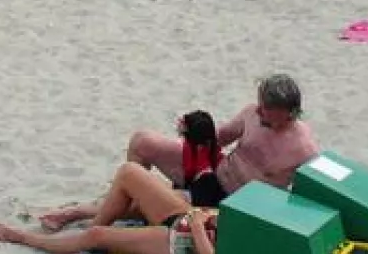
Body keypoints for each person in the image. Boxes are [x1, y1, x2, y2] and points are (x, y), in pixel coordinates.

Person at [57, 74, 318, 225]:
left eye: (266, 108)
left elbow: (309, 202)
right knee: (142, 141)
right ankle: (119, 198)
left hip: (227, 203)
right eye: (259, 103)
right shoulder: (253, 114)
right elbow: (218, 139)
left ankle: (81, 212)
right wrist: (192, 131)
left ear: (288, 112)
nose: (259, 110)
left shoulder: (303, 149)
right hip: (213, 172)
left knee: (151, 201)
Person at [0, 166, 217, 254]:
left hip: (183, 245)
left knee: (96, 235)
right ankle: (87, 232)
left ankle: (25, 238)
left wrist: (197, 226)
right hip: (197, 219)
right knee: (128, 173)